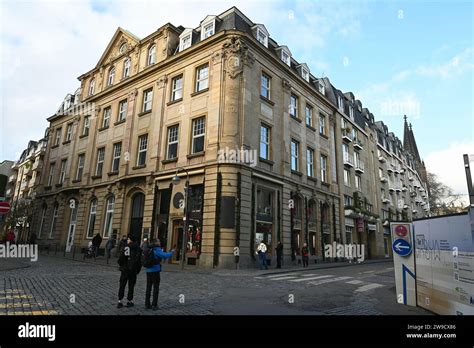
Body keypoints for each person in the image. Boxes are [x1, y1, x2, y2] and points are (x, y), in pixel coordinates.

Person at [144, 239, 175, 310]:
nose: (160, 242)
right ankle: (154, 305)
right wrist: (171, 252)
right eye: (158, 241)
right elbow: (164, 255)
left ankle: (147, 304)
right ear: (155, 243)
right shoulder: (157, 249)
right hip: (155, 270)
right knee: (155, 288)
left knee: (148, 287)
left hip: (148, 270)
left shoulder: (149, 248)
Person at [117, 235, 142, 308]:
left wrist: (121, 265)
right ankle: (129, 301)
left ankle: (120, 301)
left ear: (130, 240)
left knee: (122, 285)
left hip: (125, 269)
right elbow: (139, 261)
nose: (127, 240)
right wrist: (137, 269)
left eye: (128, 239)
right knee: (131, 286)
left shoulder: (126, 247)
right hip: (133, 270)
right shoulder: (138, 248)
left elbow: (121, 258)